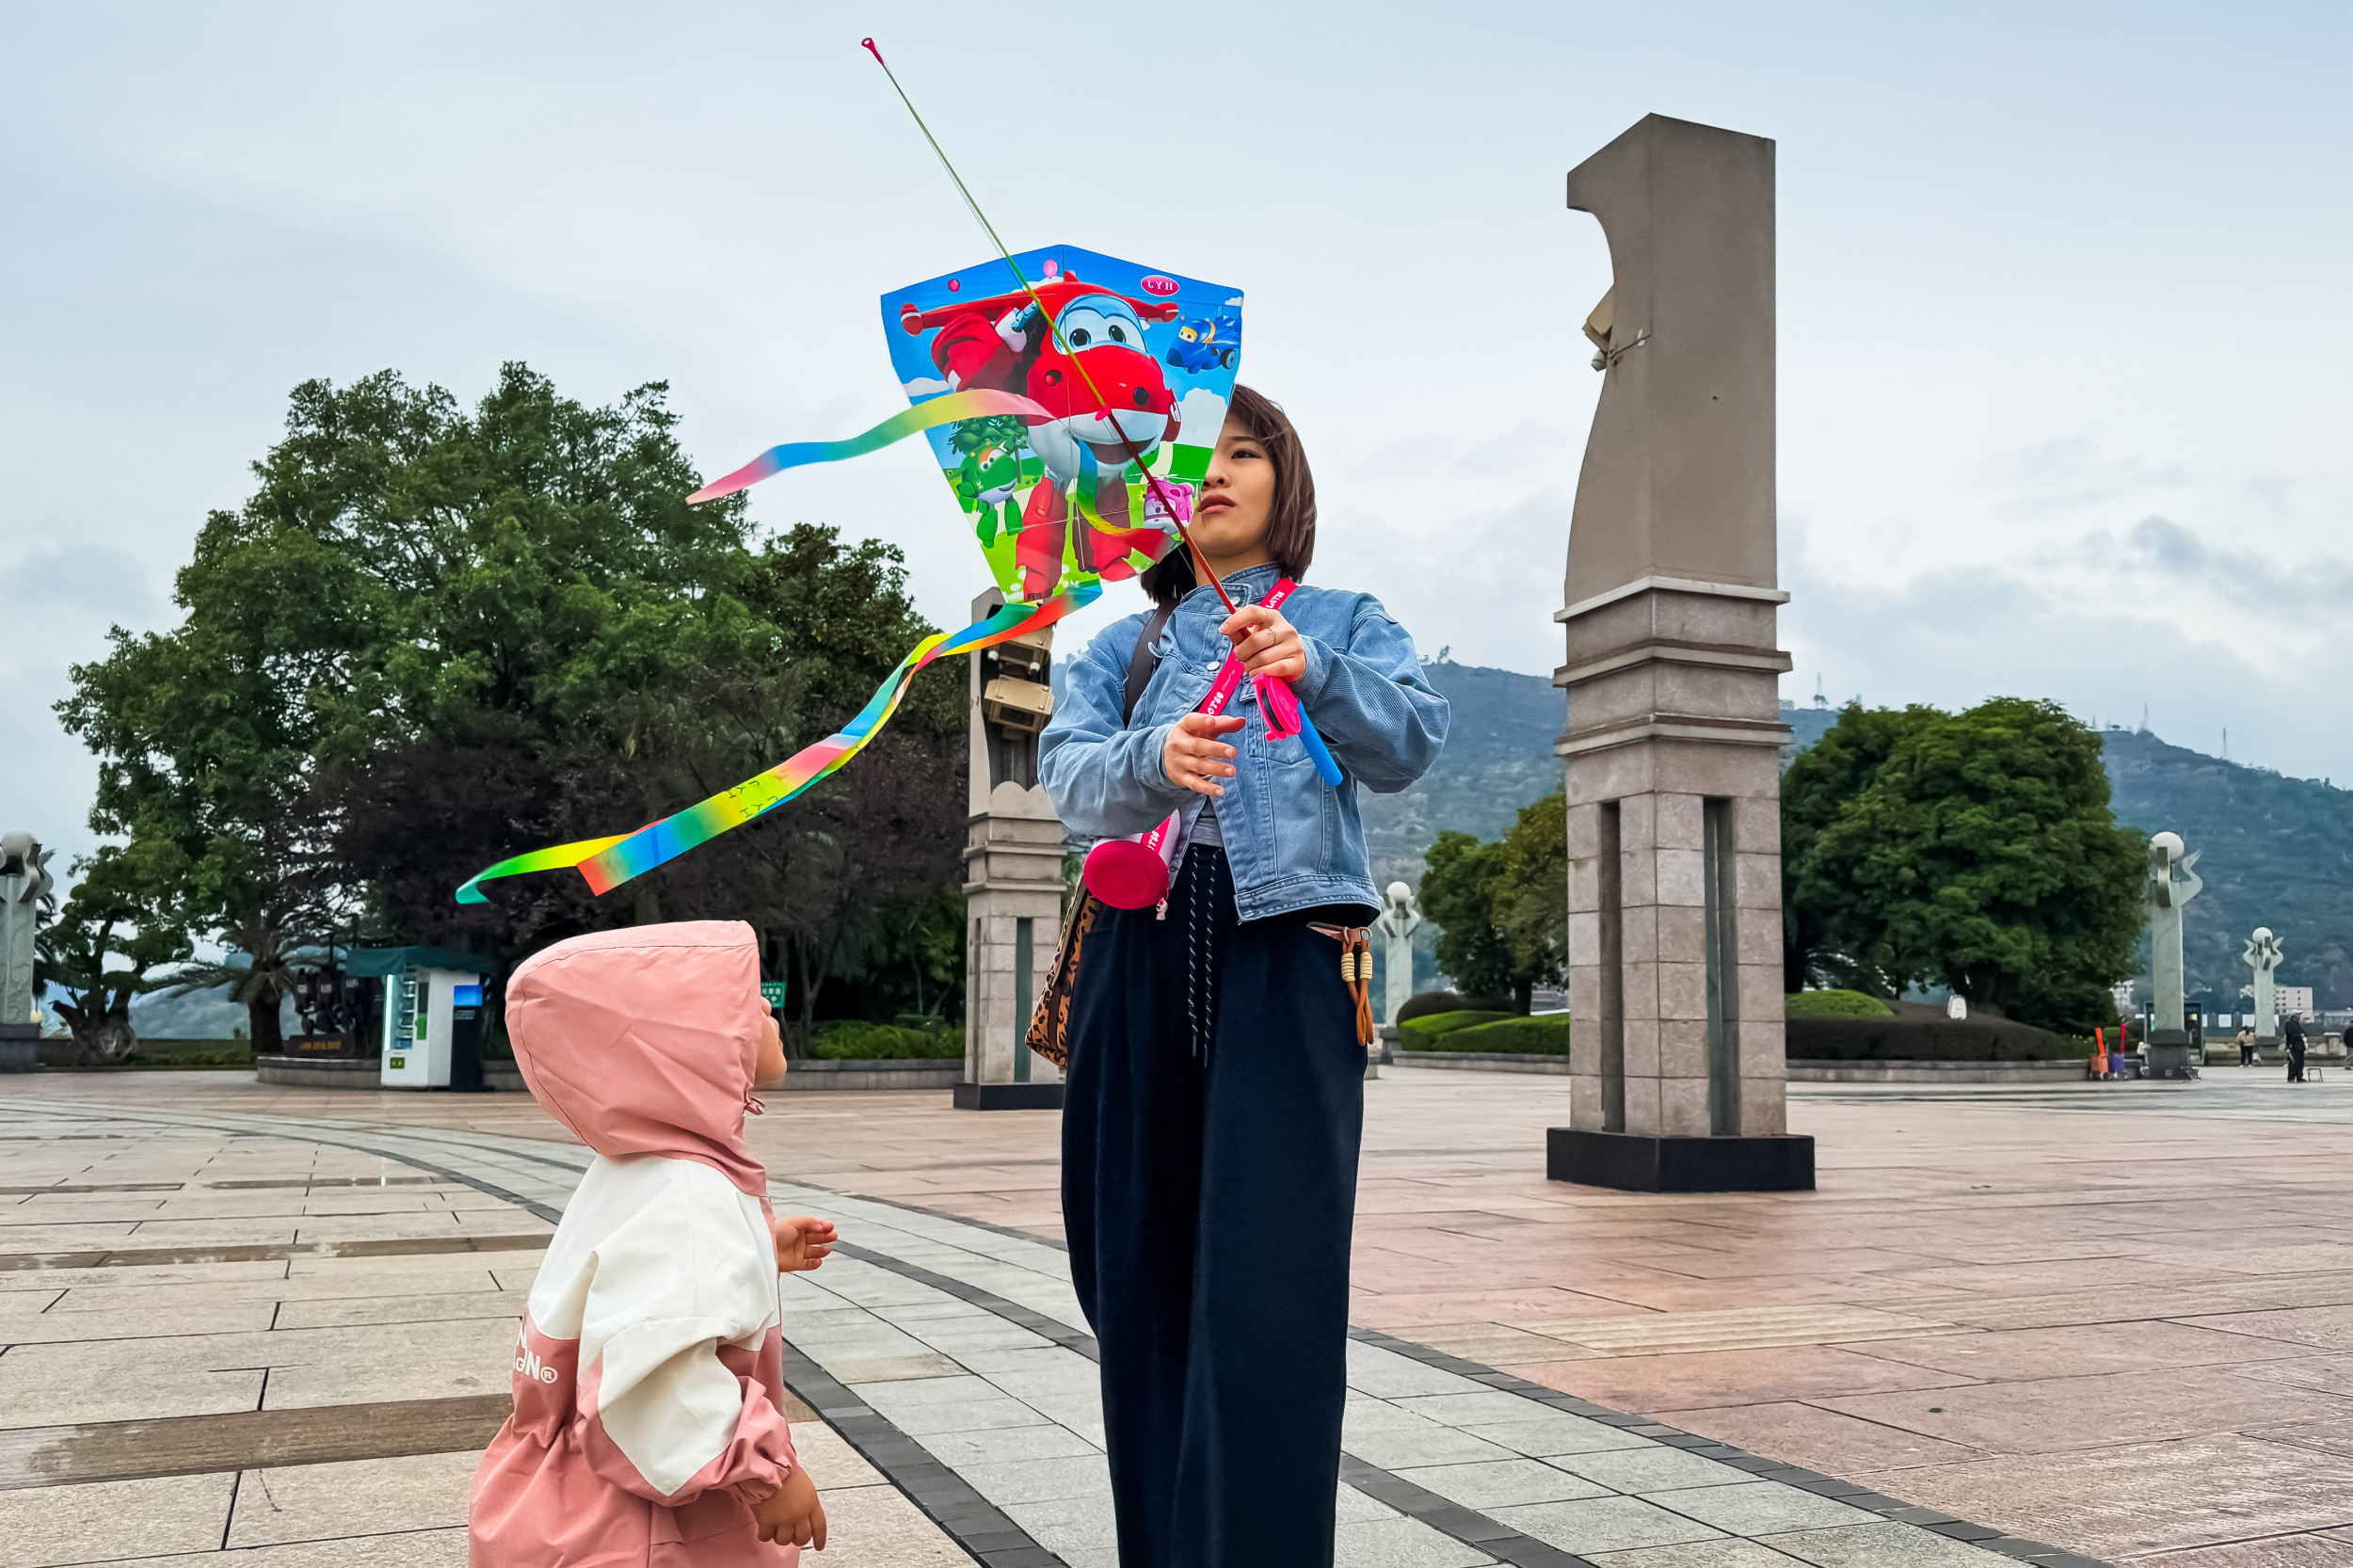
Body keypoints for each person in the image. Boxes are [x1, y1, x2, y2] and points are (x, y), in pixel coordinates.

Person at [1039, 387, 1449, 1568]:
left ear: (1285, 483)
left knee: (1271, 1284)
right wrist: (1152, 757)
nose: (1214, 472)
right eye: (1192, 457)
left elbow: (1410, 742)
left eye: (1242, 451)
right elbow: (1070, 780)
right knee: (1131, 1266)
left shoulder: (1344, 615)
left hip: (1293, 949)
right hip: (1138, 941)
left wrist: (1312, 665)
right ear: (1151, 493)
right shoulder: (1120, 644)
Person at [472, 921, 837, 1566]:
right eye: (746, 1001)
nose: (768, 1007)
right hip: (643, 1531)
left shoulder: (636, 1166)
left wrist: (755, 1248)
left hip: (568, 1494)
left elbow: (628, 1287)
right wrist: (766, 1473)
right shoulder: (692, 1196)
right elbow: (654, 1374)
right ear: (688, 1048)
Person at [2286, 1010, 2309, 1082]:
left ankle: (2299, 1076)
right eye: (2298, 1014)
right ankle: (2291, 1077)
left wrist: (2303, 1035)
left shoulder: (2297, 1024)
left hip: (2300, 1046)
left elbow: (2304, 1032)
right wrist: (2300, 1035)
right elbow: (2291, 1033)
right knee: (2293, 1062)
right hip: (2293, 1047)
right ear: (2294, 1016)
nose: (2299, 1016)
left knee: (2300, 1063)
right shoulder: (2289, 1024)